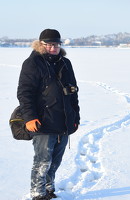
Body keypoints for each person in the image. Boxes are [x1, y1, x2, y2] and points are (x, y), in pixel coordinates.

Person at [17, 29, 80, 200]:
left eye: (56, 44)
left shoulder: (65, 63)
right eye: (50, 45)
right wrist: (29, 117)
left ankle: (49, 188)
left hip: (64, 121)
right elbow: (25, 93)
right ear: (41, 45)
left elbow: (73, 92)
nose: (53, 48)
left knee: (55, 161)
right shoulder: (32, 63)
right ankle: (38, 193)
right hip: (42, 121)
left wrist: (76, 118)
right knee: (43, 160)